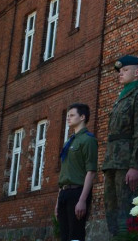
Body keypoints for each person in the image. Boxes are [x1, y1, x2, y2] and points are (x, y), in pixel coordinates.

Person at [102, 55, 138, 237]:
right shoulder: (122, 97)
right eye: (120, 71)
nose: (120, 74)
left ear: (137, 72)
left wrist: (135, 165)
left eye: (124, 70)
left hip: (127, 165)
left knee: (127, 212)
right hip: (112, 163)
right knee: (111, 211)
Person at [56, 103, 98, 241]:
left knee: (76, 235)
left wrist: (82, 200)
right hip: (64, 192)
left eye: (72, 115)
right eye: (68, 115)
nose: (68, 118)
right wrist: (58, 200)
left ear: (82, 117)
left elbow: (90, 172)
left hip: (77, 192)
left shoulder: (88, 140)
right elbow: (65, 172)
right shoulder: (69, 142)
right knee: (64, 236)